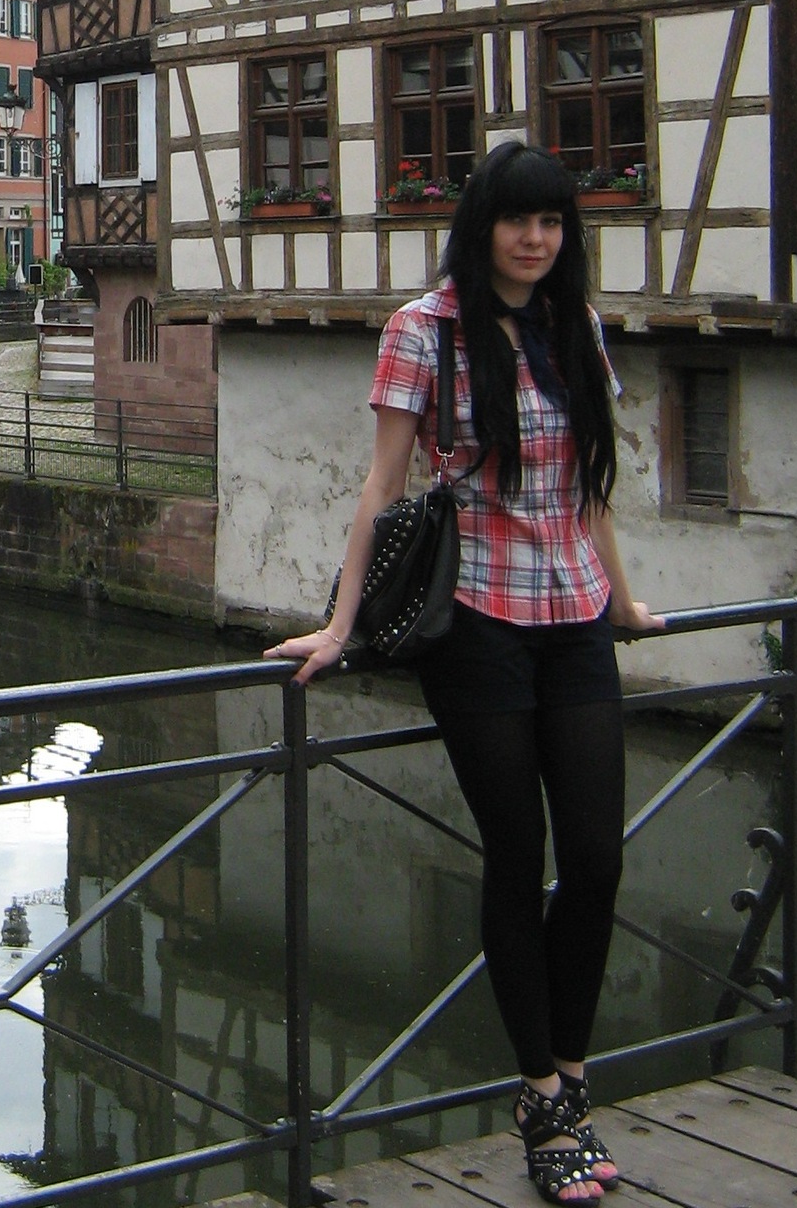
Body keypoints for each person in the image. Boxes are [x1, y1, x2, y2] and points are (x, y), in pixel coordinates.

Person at [268, 142, 662, 1205]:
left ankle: (569, 1073)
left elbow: (587, 487)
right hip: (477, 621)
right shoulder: (424, 329)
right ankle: (546, 1098)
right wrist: (339, 624)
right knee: (516, 855)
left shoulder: (573, 324)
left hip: (573, 615)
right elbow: (383, 485)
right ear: (479, 226)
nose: (536, 239)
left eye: (553, 222)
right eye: (517, 220)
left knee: (595, 859)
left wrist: (624, 601)